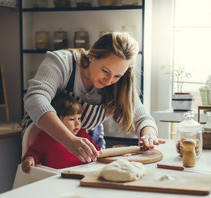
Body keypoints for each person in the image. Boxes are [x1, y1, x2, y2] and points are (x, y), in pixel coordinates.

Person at [22, 32, 165, 164]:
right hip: (44, 146)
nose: (109, 81)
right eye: (105, 71)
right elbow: (35, 98)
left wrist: (149, 135)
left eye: (117, 76)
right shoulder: (63, 63)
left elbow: (141, 118)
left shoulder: (121, 82)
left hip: (86, 151)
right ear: (92, 56)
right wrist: (68, 139)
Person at [21, 94, 100, 172]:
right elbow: (35, 152)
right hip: (56, 178)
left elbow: (97, 152)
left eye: (79, 118)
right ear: (57, 120)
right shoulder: (44, 137)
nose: (77, 123)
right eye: (72, 119)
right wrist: (30, 159)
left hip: (83, 174)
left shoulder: (83, 135)